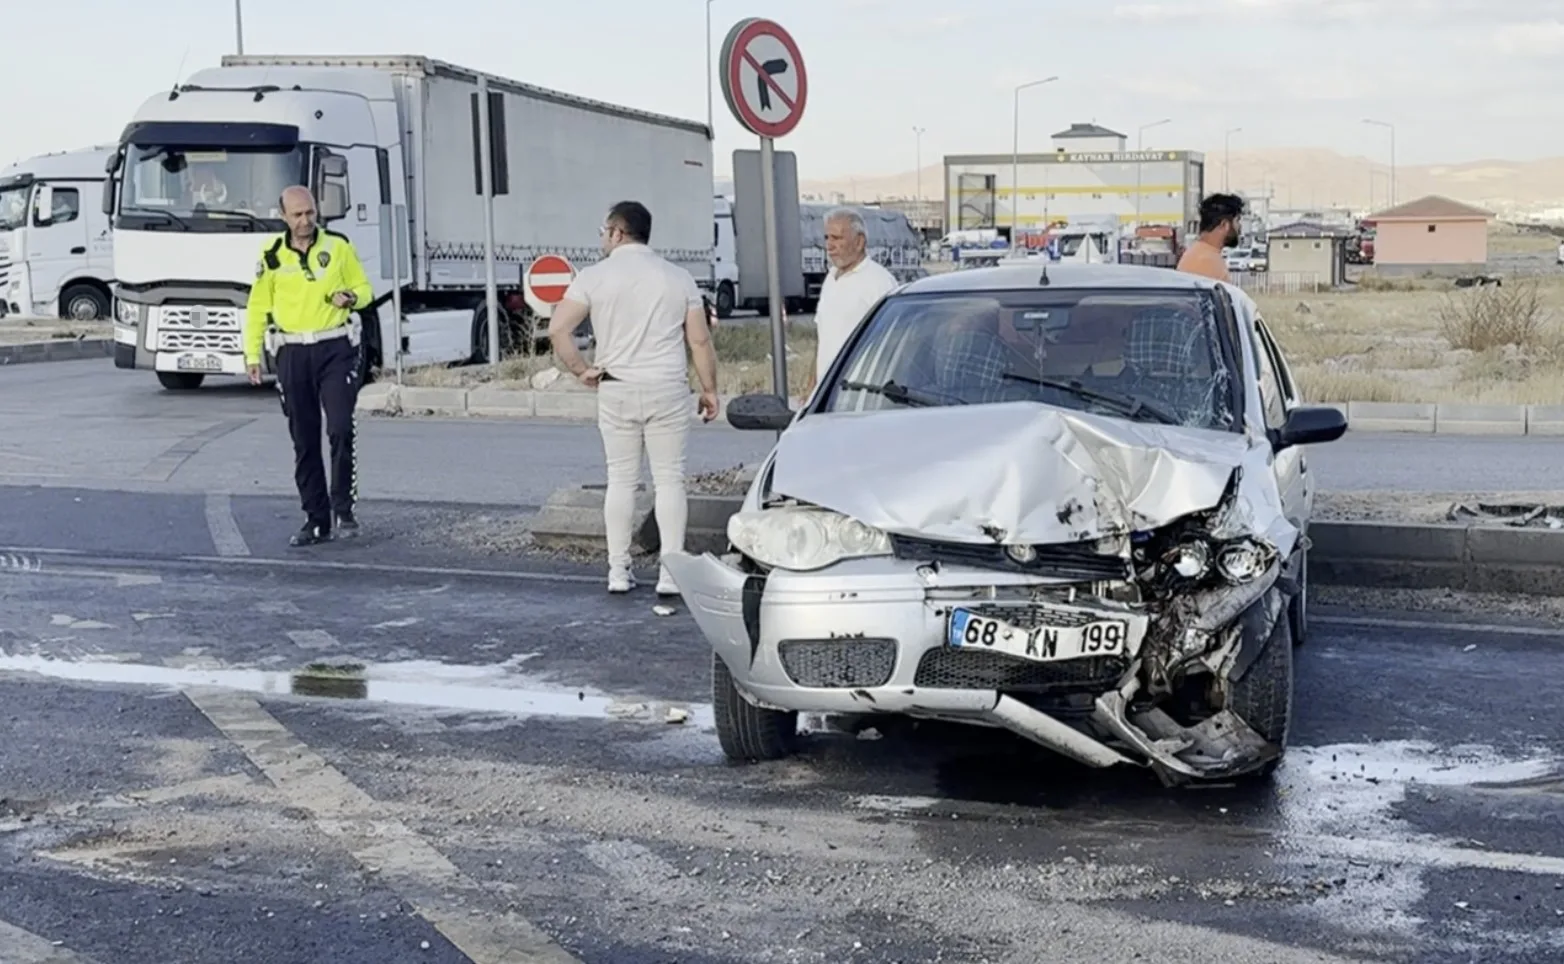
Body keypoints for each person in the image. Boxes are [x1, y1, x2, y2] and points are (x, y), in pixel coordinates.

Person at [548, 200, 720, 595]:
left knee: (621, 480)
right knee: (670, 480)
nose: (603, 239)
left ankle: (618, 571)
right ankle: (670, 573)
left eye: (604, 232)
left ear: (617, 232)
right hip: (667, 388)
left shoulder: (594, 277)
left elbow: (559, 329)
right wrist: (709, 389)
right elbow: (698, 339)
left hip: (616, 386)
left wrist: (581, 369)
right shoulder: (678, 277)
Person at [244, 185, 374, 548]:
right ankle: (316, 520)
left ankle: (343, 507)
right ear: (283, 216)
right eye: (298, 215)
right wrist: (252, 355)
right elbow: (257, 307)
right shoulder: (271, 256)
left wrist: (351, 297)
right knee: (304, 438)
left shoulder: (337, 247)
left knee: (339, 427)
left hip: (335, 347)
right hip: (292, 351)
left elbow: (365, 289)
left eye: (310, 213)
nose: (305, 221)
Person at [807, 208, 899, 395]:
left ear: (859, 242)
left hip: (861, 393)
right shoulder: (831, 279)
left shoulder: (879, 282)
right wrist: (812, 386)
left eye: (837, 238)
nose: (829, 246)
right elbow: (822, 338)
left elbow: (894, 342)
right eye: (827, 238)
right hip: (827, 394)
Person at [1176, 193, 1245, 283]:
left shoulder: (1199, 254)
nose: (1239, 226)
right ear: (1224, 225)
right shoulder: (1207, 262)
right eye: (1237, 220)